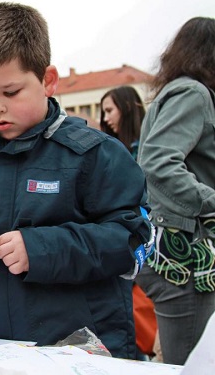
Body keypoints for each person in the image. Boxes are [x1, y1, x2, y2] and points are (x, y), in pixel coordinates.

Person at [0, 2, 153, 359]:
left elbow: (133, 239)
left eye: (10, 93)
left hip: (75, 354)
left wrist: (41, 249)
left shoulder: (94, 155)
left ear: (48, 81)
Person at [136, 17, 215, 365]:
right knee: (187, 364)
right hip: (184, 258)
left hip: (178, 253)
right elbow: (158, 162)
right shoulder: (193, 92)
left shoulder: (180, 91)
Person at [100, 86, 158, 360]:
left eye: (110, 110)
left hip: (148, 248)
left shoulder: (142, 150)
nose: (106, 117)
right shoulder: (114, 150)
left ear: (128, 107)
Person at [100, 86, 145, 160]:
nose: (105, 119)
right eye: (104, 113)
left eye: (109, 110)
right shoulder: (109, 150)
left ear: (127, 107)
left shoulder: (150, 145)